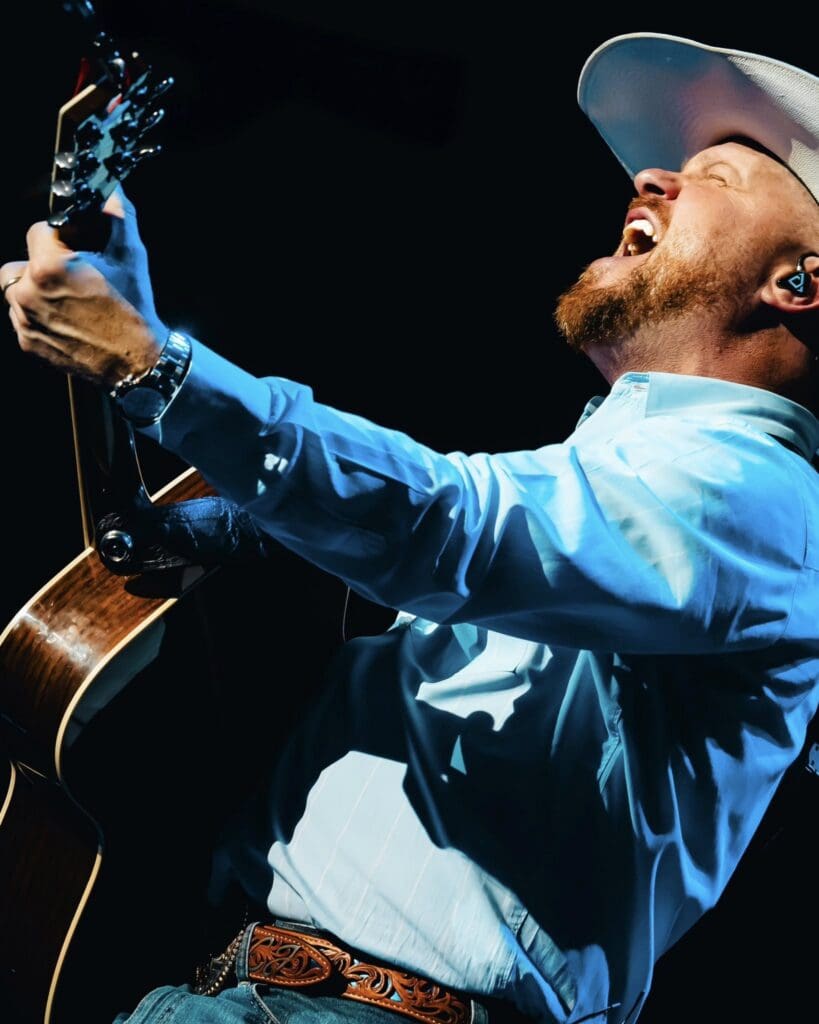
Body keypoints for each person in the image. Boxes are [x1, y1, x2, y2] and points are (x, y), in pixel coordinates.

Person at [3, 30, 819, 1024]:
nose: (649, 179)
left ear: (801, 286)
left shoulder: (764, 501)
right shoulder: (613, 475)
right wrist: (223, 523)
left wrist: (158, 367)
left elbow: (447, 524)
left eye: (714, 177)